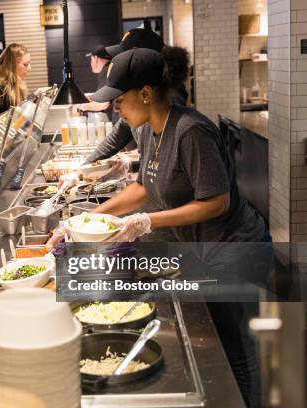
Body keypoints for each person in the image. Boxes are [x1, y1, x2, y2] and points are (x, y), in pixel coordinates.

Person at [49, 48, 268, 408]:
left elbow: (217, 201)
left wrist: (146, 220)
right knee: (220, 343)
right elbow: (145, 187)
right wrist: (84, 221)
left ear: (147, 94)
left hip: (232, 250)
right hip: (200, 248)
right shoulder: (150, 129)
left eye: (120, 100)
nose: (116, 108)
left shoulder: (190, 130)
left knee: (234, 350)